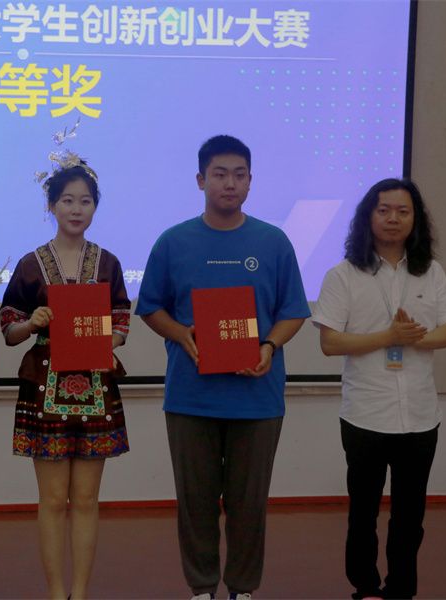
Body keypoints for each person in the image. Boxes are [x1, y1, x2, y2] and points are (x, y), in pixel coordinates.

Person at [135, 135, 310, 600]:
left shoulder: (273, 242)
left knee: (248, 504)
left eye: (239, 175)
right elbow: (150, 307)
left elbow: (293, 311)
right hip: (191, 396)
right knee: (195, 502)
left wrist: (269, 345)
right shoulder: (173, 242)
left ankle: (243, 589)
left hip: (258, 398)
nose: (229, 183)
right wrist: (181, 334)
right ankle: (201, 587)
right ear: (200, 180)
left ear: (251, 181)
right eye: (219, 174)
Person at [311, 178, 446, 600]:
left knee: (410, 515)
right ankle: (365, 586)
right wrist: (388, 336)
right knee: (363, 512)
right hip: (365, 413)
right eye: (384, 210)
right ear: (368, 216)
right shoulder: (343, 275)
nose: (393, 218)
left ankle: (401, 588)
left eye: (403, 211)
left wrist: (413, 337)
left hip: (420, 415)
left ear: (415, 219)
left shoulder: (430, 271)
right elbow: (330, 343)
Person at [0, 156, 130, 600]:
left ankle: (81, 592)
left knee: (88, 500)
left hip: (95, 385)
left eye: (86, 201)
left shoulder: (108, 263)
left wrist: (106, 340)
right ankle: (57, 593)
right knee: (53, 500)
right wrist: (32, 323)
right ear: (51, 205)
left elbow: (122, 322)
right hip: (45, 388)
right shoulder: (30, 264)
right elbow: (9, 331)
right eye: (68, 200)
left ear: (95, 206)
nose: (77, 209)